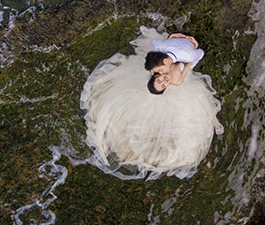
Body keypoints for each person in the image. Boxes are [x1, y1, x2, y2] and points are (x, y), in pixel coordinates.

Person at [79, 26, 222, 179]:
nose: (163, 78)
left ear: (154, 75)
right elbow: (188, 63)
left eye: (159, 77)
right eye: (162, 81)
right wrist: (189, 59)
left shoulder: (160, 59)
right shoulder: (176, 79)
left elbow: (172, 53)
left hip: (174, 55)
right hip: (179, 60)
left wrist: (178, 41)